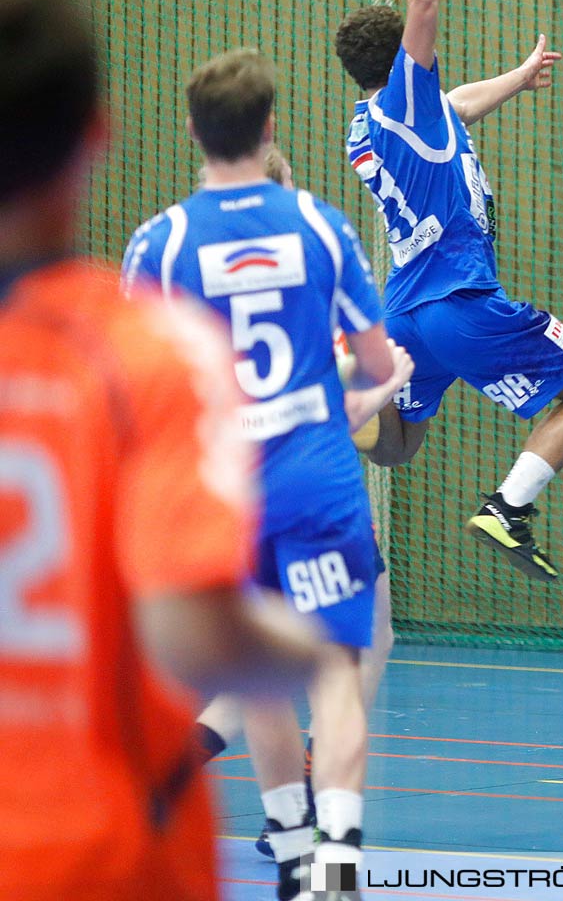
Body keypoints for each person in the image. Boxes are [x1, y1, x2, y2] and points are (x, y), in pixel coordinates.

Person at [0, 0, 325, 900]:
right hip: (101, 851)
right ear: (94, 137)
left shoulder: (163, 280)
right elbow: (193, 632)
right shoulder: (146, 355)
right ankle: (300, 840)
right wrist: (323, 654)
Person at [122, 48, 413, 898]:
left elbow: (142, 382)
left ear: (192, 133)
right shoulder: (321, 226)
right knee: (334, 669)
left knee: (252, 672)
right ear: (272, 127)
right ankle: (337, 860)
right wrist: (363, 392)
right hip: (316, 478)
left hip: (223, 492)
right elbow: (372, 361)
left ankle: (288, 847)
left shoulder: (161, 243)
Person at [333, 0, 563, 581]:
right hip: (462, 299)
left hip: (406, 312)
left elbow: (457, 107)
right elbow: (424, 4)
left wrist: (519, 79)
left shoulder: (371, 125)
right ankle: (509, 507)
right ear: (400, 58)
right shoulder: (407, 95)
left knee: (396, 445)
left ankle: (336, 407)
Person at [186, 143, 398, 864]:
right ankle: (315, 817)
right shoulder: (315, 275)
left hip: (230, 496)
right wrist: (380, 386)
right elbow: (366, 411)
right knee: (347, 656)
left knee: (261, 662)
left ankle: (280, 817)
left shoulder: (189, 274)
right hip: (316, 494)